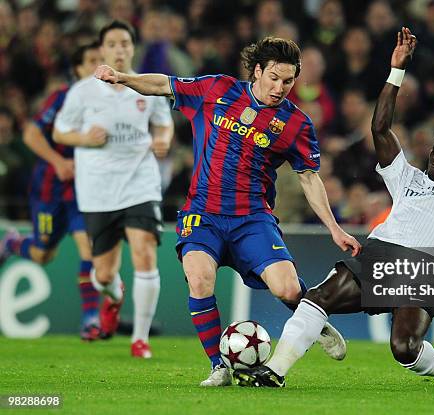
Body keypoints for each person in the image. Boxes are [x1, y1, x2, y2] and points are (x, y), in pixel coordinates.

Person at [233, 27, 434, 389]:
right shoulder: (407, 178)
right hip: (379, 255)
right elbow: (380, 129)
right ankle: (276, 371)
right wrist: (397, 71)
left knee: (404, 349)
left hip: (428, 269)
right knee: (319, 297)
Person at [93, 36, 361, 386]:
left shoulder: (296, 124)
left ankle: (313, 319)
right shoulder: (216, 89)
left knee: (287, 288)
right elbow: (163, 84)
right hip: (202, 214)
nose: (280, 88)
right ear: (257, 71)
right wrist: (123, 77)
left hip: (252, 218)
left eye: (289, 81)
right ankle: (218, 366)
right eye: (274, 78)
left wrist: (334, 228)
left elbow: (310, 179)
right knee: (200, 278)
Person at [53, 21, 174, 358]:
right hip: (98, 189)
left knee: (145, 253)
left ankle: (140, 338)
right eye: (112, 44)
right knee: (103, 273)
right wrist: (84, 138)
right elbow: (61, 133)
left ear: (132, 48)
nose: (119, 49)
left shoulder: (146, 87)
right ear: (103, 50)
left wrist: (162, 141)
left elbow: (164, 124)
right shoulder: (82, 91)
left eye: (125, 43)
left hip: (140, 183)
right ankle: (114, 295)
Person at [0, 42, 103, 341]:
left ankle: (90, 320)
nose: (98, 66)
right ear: (78, 69)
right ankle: (14, 244)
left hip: (85, 191)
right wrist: (58, 161)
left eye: (101, 60)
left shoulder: (111, 100)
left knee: (89, 249)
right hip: (51, 189)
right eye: (91, 61)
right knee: (43, 253)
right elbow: (31, 134)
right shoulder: (63, 97)